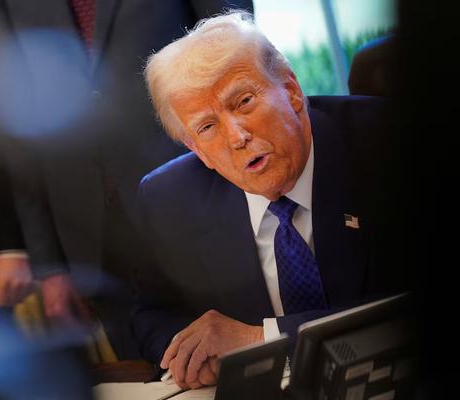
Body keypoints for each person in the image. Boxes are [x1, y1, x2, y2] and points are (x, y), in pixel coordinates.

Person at [132, 10, 408, 389]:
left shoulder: (391, 140)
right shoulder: (168, 198)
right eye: (208, 127)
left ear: (292, 91)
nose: (237, 136)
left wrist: (261, 340)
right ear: (198, 151)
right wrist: (196, 355)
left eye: (243, 102)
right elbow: (150, 314)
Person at [0, 0, 254, 359]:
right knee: (154, 370)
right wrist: (50, 265)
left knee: (248, 352)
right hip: (90, 234)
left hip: (200, 186)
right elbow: (15, 118)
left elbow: (230, 39)